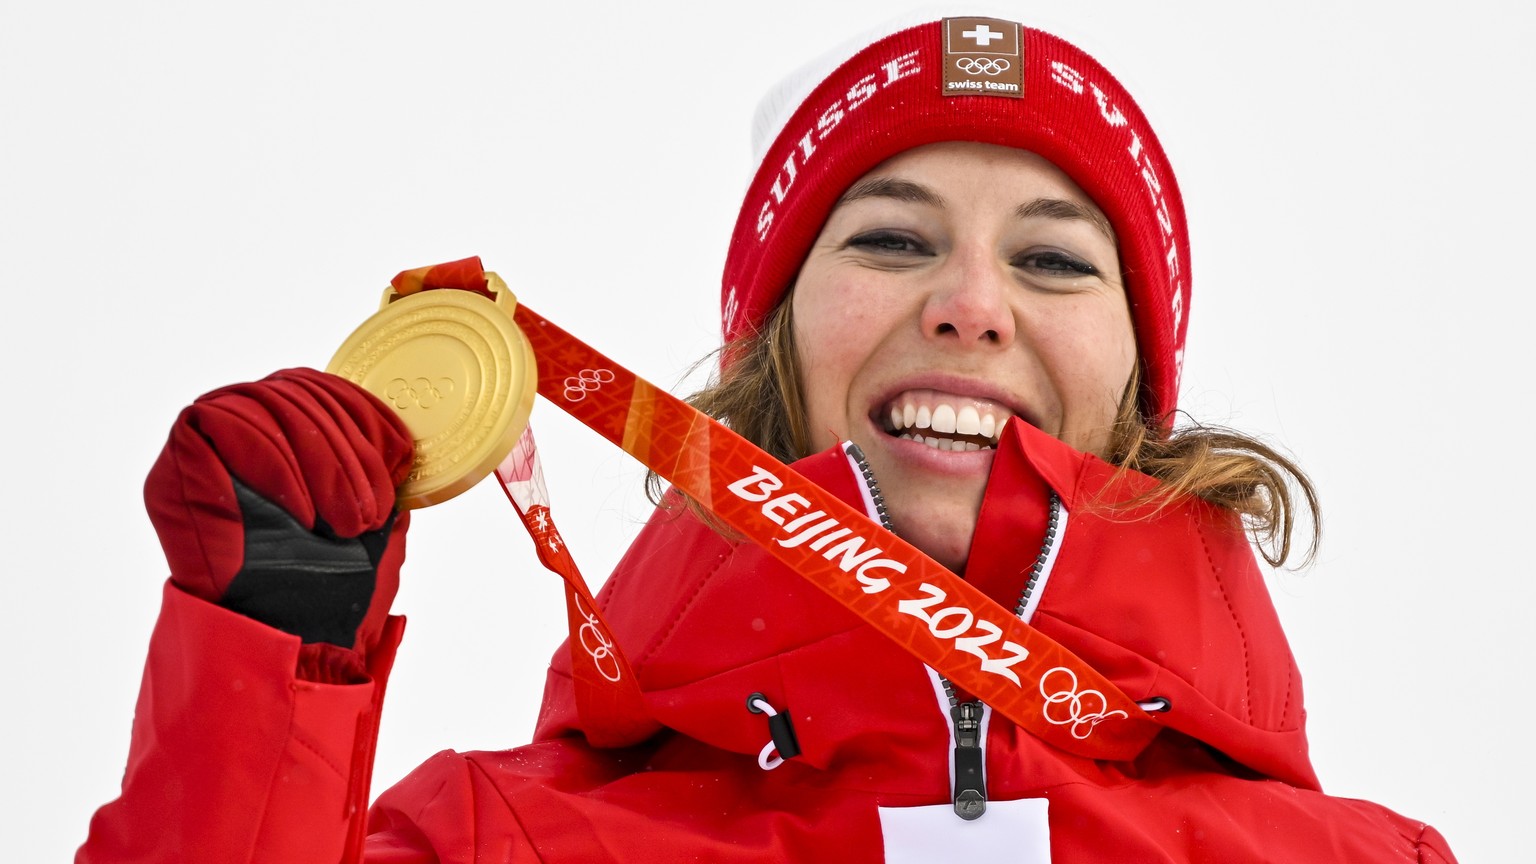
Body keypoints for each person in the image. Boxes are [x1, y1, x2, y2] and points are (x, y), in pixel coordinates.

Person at [77, 13, 1459, 863]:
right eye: (895, 239)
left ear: (1141, 390)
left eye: (1052, 263)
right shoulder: (501, 844)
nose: (972, 306)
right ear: (769, 355)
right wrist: (270, 648)